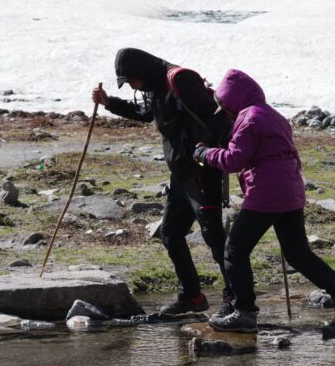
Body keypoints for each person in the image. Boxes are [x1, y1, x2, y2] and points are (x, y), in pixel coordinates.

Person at [193, 69, 335, 333]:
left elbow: (233, 161)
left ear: (232, 99)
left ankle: (245, 314)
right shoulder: (272, 114)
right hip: (290, 188)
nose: (223, 110)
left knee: (235, 250)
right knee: (297, 253)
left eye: (224, 104)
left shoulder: (249, 118)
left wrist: (205, 153)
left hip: (266, 191)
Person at [91, 48, 232, 315]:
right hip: (181, 173)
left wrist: (204, 149)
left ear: (141, 72)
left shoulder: (179, 80)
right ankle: (191, 297)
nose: (131, 85)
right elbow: (145, 113)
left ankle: (236, 300)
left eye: (130, 80)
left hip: (202, 170)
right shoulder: (155, 87)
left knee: (214, 236)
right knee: (170, 233)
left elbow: (218, 115)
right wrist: (109, 103)